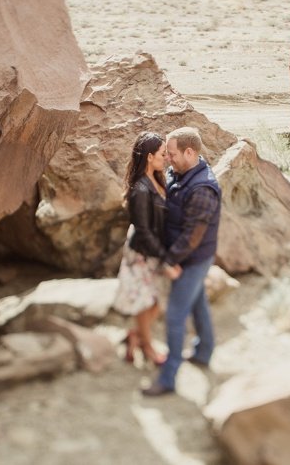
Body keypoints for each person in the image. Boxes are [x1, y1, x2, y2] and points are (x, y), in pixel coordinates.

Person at [143, 126, 222, 397]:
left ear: (190, 152)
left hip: (192, 258)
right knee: (198, 303)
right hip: (186, 255)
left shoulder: (202, 189)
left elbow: (192, 237)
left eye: (173, 154)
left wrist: (169, 261)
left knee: (175, 315)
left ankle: (168, 379)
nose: (168, 159)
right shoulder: (181, 172)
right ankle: (203, 352)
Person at [112, 131, 170, 366]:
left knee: (157, 300)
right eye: (162, 154)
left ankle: (135, 336)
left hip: (153, 250)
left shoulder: (158, 179)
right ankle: (147, 346)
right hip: (142, 254)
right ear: (148, 157)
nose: (165, 158)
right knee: (149, 302)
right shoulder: (140, 190)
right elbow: (144, 231)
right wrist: (166, 257)